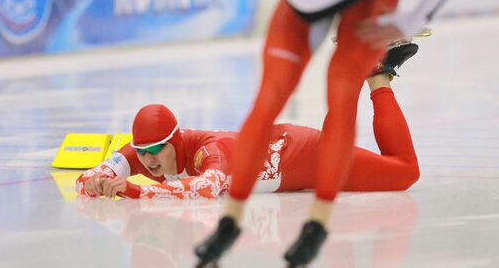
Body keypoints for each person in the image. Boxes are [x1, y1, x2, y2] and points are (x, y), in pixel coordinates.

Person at [193, 0, 468, 268]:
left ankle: (317, 226)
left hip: (371, 0)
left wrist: (415, 17)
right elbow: (307, 4)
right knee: (271, 94)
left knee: (341, 88)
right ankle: (229, 223)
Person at [76, 65, 419, 201]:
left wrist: (133, 191)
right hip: (291, 155)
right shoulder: (144, 151)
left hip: (306, 155)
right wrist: (95, 181)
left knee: (405, 172)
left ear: (175, 140)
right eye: (143, 151)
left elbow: (207, 187)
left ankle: (367, 70)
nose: (149, 160)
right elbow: (90, 176)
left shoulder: (210, 150)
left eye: (157, 150)